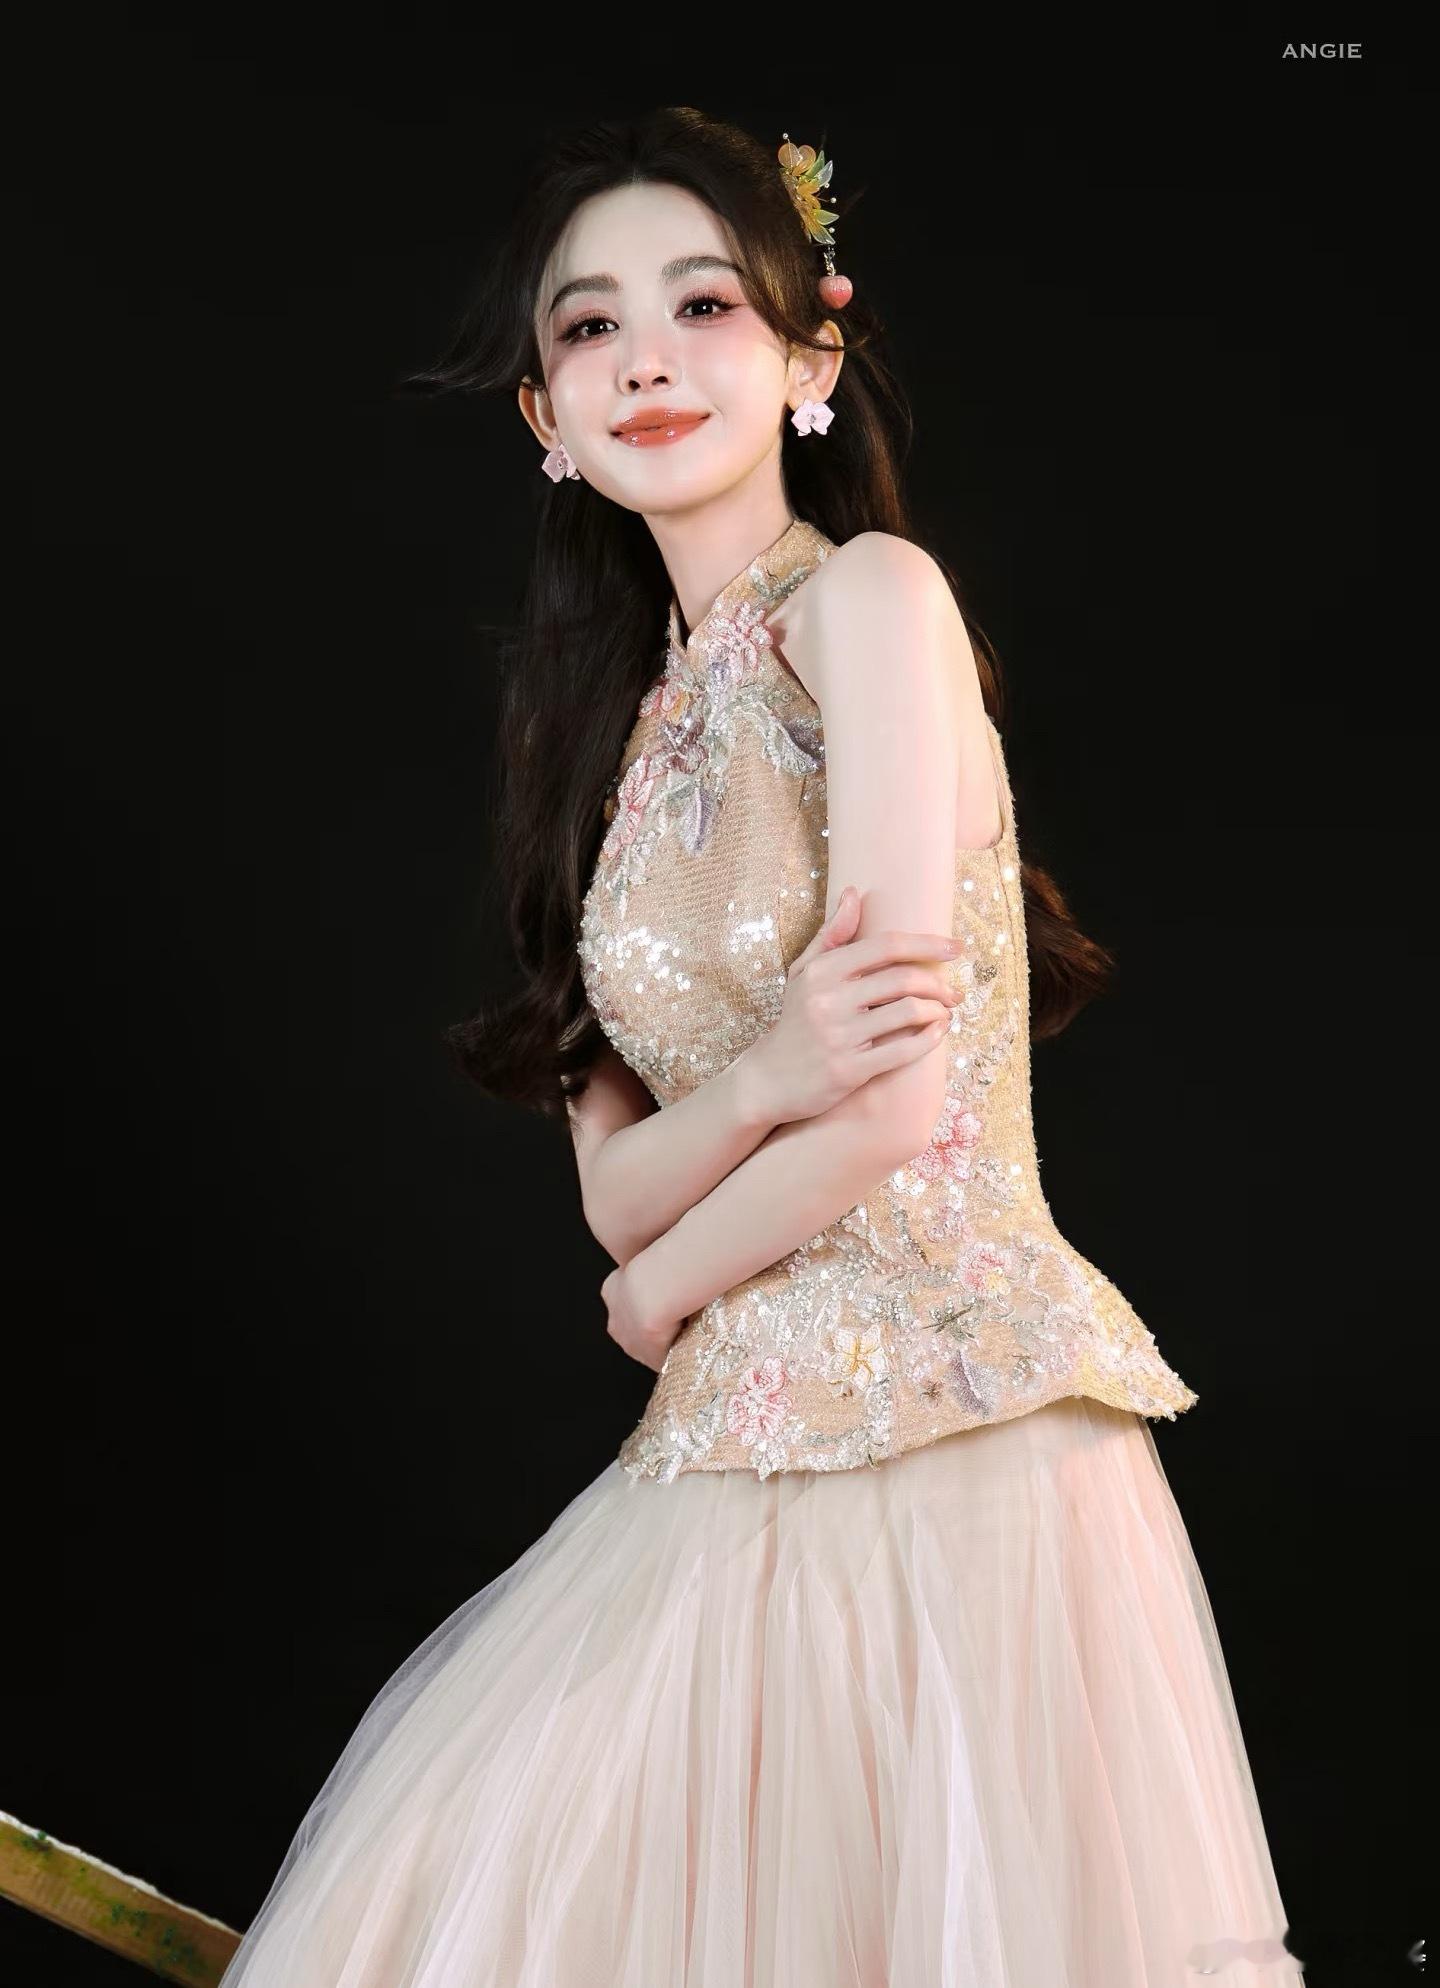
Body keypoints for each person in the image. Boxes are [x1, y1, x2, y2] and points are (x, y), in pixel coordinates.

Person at [220, 108, 1305, 1986]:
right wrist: (762, 1090)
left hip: (960, 1440)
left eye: (705, 304)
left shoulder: (871, 602)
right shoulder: (600, 746)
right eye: (589, 327)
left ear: (810, 358)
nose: (646, 359)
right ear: (543, 416)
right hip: (730, 1455)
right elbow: (620, 1185)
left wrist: (665, 1284)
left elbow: (894, 1103)